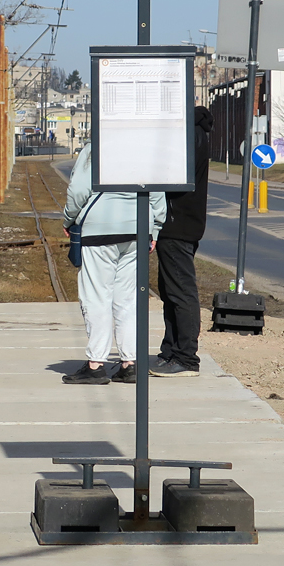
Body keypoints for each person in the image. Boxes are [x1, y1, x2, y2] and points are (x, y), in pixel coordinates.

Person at [60, 141, 166, 385]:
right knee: (127, 298)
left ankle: (95, 364)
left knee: (97, 295)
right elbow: (158, 192)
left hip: (100, 229)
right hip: (138, 228)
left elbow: (78, 190)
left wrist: (69, 220)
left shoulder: (97, 146)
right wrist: (155, 229)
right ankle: (129, 363)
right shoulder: (145, 148)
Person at [153, 106, 212, 377]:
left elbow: (176, 179)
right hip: (178, 224)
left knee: (181, 293)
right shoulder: (194, 132)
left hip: (178, 224)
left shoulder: (189, 135)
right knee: (170, 293)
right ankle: (171, 351)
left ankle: (186, 358)